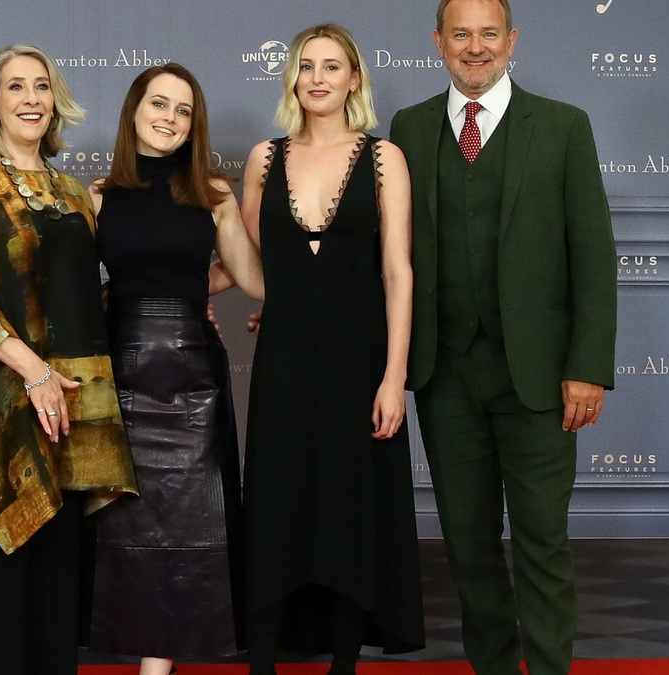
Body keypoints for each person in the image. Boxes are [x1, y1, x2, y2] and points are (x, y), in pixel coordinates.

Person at [389, 1, 618, 673]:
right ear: (438, 42)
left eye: (489, 33)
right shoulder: (407, 127)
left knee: (543, 541)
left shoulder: (564, 127)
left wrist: (588, 367)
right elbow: (387, 251)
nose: (475, 46)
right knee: (469, 544)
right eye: (461, 33)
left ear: (511, 40)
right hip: (444, 374)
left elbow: (594, 257)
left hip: (543, 378)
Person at [0, 43, 137, 675]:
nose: (32, 98)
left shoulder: (73, 192)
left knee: (54, 590)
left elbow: (81, 298)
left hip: (69, 407)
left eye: (42, 86)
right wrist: (33, 371)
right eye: (17, 87)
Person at [239, 23, 425, 675]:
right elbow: (252, 262)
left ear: (355, 79)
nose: (318, 77)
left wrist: (393, 375)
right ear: (292, 78)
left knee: (351, 504)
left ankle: (344, 663)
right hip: (284, 363)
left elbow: (398, 272)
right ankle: (261, 660)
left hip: (360, 362)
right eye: (306, 65)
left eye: (333, 66)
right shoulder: (263, 159)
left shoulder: (384, 159)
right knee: (277, 499)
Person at [87, 64, 265, 675]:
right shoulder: (98, 194)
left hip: (193, 376)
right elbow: (77, 290)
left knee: (188, 520)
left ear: (195, 123)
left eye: (183, 109)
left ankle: (156, 668)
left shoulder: (214, 193)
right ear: (134, 111)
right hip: (118, 372)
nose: (169, 117)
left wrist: (193, 290)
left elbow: (252, 279)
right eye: (158, 104)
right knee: (126, 523)